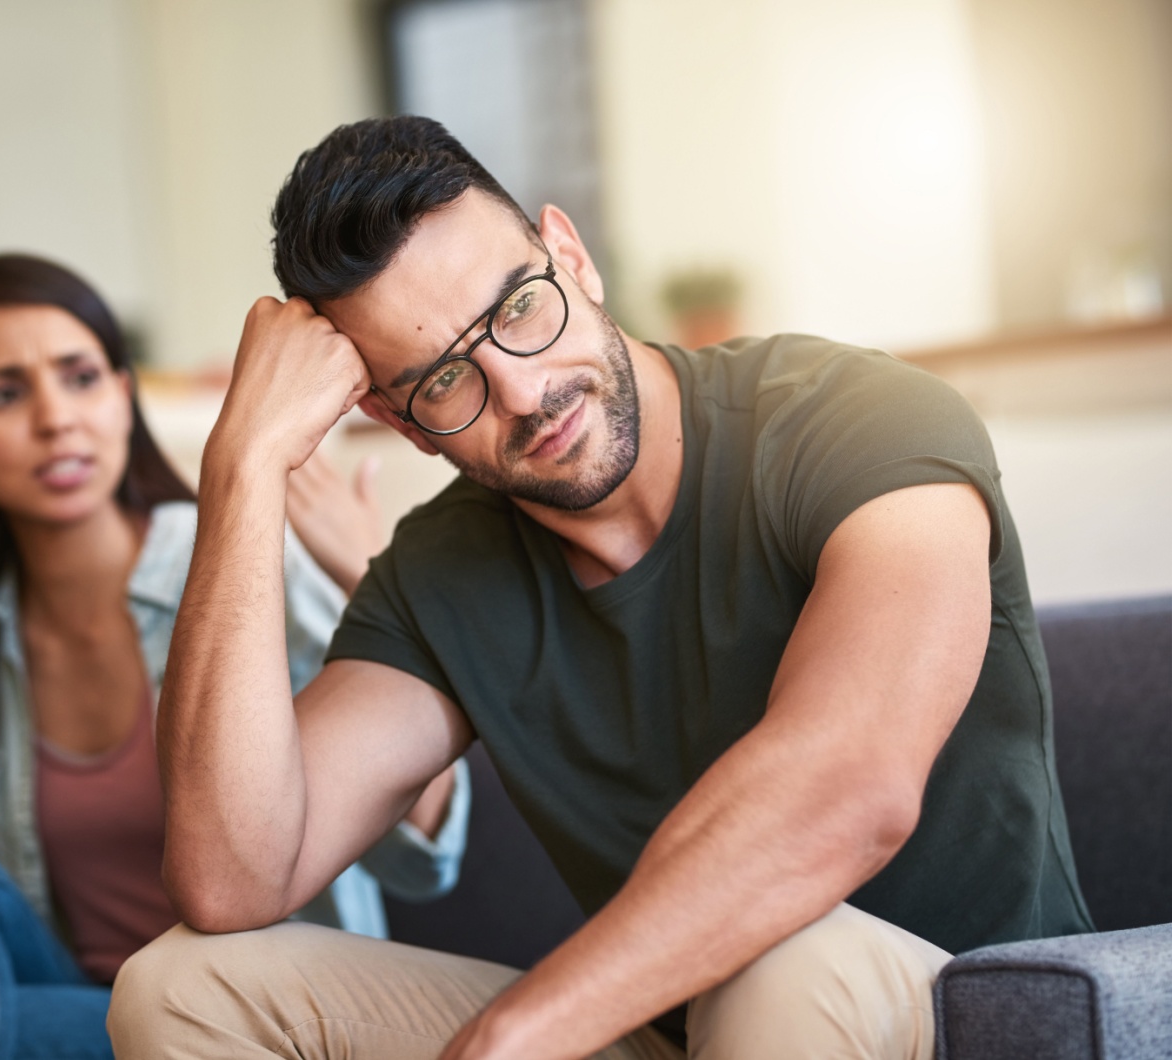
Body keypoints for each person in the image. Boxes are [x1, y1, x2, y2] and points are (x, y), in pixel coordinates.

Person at [106, 117, 1093, 1060]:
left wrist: (515, 1036)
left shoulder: (855, 420)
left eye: (518, 307)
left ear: (569, 256)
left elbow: (849, 792)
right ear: (399, 423)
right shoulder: (442, 573)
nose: (524, 392)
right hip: (684, 1029)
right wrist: (242, 466)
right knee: (182, 988)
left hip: (967, 1015)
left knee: (777, 948)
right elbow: (234, 875)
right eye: (445, 380)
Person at [0, 252, 469, 1060]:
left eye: (81, 376)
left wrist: (373, 585)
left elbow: (425, 857)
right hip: (80, 1006)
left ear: (124, 398)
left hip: (245, 1020)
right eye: (4, 394)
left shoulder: (245, 553)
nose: (56, 418)